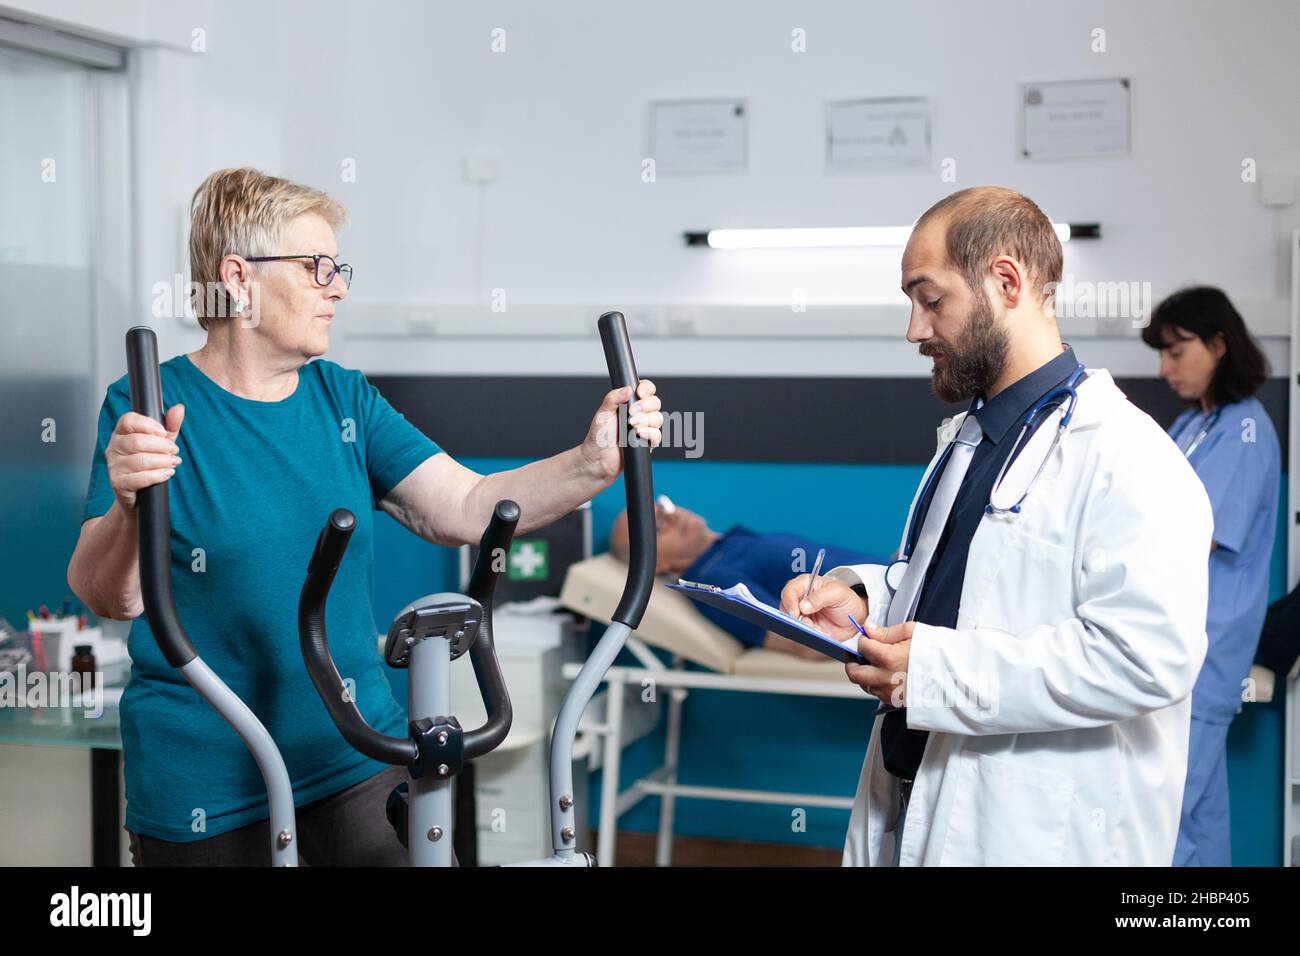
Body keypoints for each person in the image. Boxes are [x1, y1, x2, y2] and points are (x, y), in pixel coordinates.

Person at [65, 167, 664, 866]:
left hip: (355, 753)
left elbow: (468, 506)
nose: (338, 287)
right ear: (238, 277)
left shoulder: (343, 399)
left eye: (337, 268)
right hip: (208, 781)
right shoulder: (147, 404)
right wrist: (134, 505)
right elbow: (113, 595)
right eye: (317, 267)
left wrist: (591, 462)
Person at [779, 186, 1212, 866]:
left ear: (1005, 281)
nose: (915, 330)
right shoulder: (969, 441)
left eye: (930, 299)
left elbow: (1146, 657)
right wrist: (864, 600)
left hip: (1032, 832)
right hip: (911, 798)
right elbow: (955, 590)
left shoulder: (1127, 456)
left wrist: (939, 671)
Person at [1141, 286, 1280, 866]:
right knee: (1197, 813)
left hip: (1205, 645)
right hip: (1178, 639)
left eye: (1177, 350)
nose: (1164, 366)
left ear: (1219, 344)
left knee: (1168, 810)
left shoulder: (1244, 431)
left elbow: (1192, 535)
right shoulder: (1192, 425)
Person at [607, 501, 884, 660]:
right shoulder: (713, 579)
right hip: (894, 615)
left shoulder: (729, 547)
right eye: (658, 526)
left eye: (663, 506)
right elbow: (803, 643)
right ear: (657, 564)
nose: (672, 516)